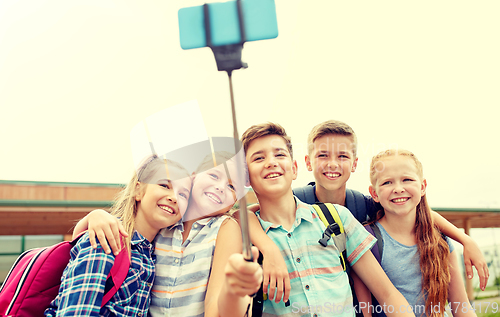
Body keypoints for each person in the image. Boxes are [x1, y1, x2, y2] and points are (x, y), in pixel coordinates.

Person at [249, 120, 488, 304]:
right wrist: (269, 249)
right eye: (323, 155)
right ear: (308, 163)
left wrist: (464, 238)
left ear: (354, 164)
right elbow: (247, 214)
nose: (333, 164)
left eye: (342, 156)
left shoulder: (362, 204)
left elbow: (417, 210)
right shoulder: (297, 199)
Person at [222, 122, 417, 317]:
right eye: (258, 158)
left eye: (279, 154)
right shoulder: (240, 237)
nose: (271, 162)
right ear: (246, 178)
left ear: (295, 168)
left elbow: (388, 295)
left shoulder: (336, 217)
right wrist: (268, 249)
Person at [74, 151, 261, 317]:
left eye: (232, 187)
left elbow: (214, 302)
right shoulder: (165, 221)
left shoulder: (225, 227)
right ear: (194, 177)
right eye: (213, 175)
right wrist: (94, 216)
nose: (221, 187)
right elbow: (85, 249)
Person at [45, 156, 191, 316]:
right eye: (164, 185)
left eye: (183, 194)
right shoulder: (107, 238)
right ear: (138, 190)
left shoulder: (153, 255)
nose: (174, 198)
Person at [353, 149, 476, 317]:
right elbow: (365, 312)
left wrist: (467, 241)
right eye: (387, 182)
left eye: (407, 179)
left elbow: (462, 307)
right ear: (374, 193)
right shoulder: (366, 241)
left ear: (423, 186)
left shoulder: (440, 238)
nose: (398, 188)